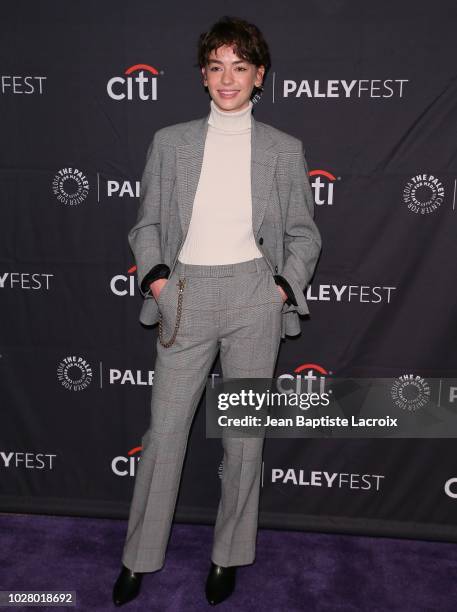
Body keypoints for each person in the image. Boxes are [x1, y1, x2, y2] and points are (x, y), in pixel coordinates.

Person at [112, 15, 322, 607]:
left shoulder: (284, 150)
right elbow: (147, 223)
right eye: (216, 67)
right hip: (185, 295)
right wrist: (157, 279)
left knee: (243, 441)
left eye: (240, 67)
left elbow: (305, 235)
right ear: (204, 77)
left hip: (255, 297)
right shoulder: (170, 142)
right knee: (165, 434)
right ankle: (138, 557)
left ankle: (229, 555)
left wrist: (281, 287)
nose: (227, 79)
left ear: (260, 76)